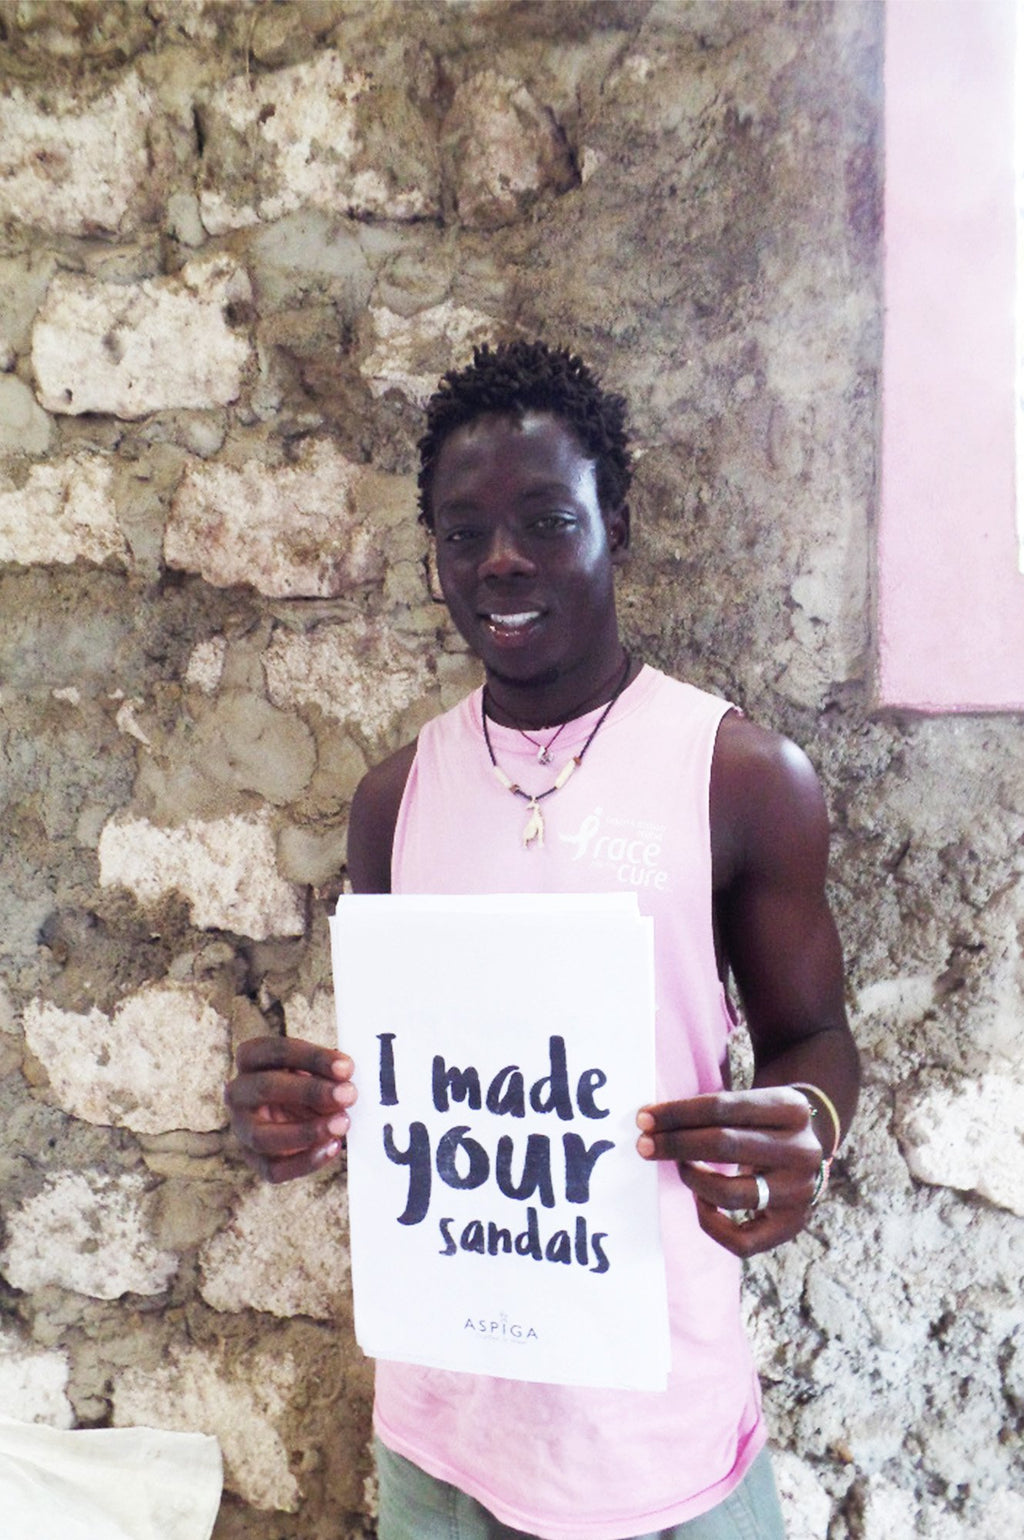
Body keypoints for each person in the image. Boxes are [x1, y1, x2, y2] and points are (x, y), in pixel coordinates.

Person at [226, 340, 859, 1540]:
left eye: (545, 521)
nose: (500, 560)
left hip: (656, 1421)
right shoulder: (395, 798)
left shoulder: (737, 775)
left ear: (614, 523)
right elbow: (418, 1084)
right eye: (462, 533)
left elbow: (814, 1036)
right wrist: (302, 1114)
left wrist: (802, 1130)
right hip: (442, 1425)